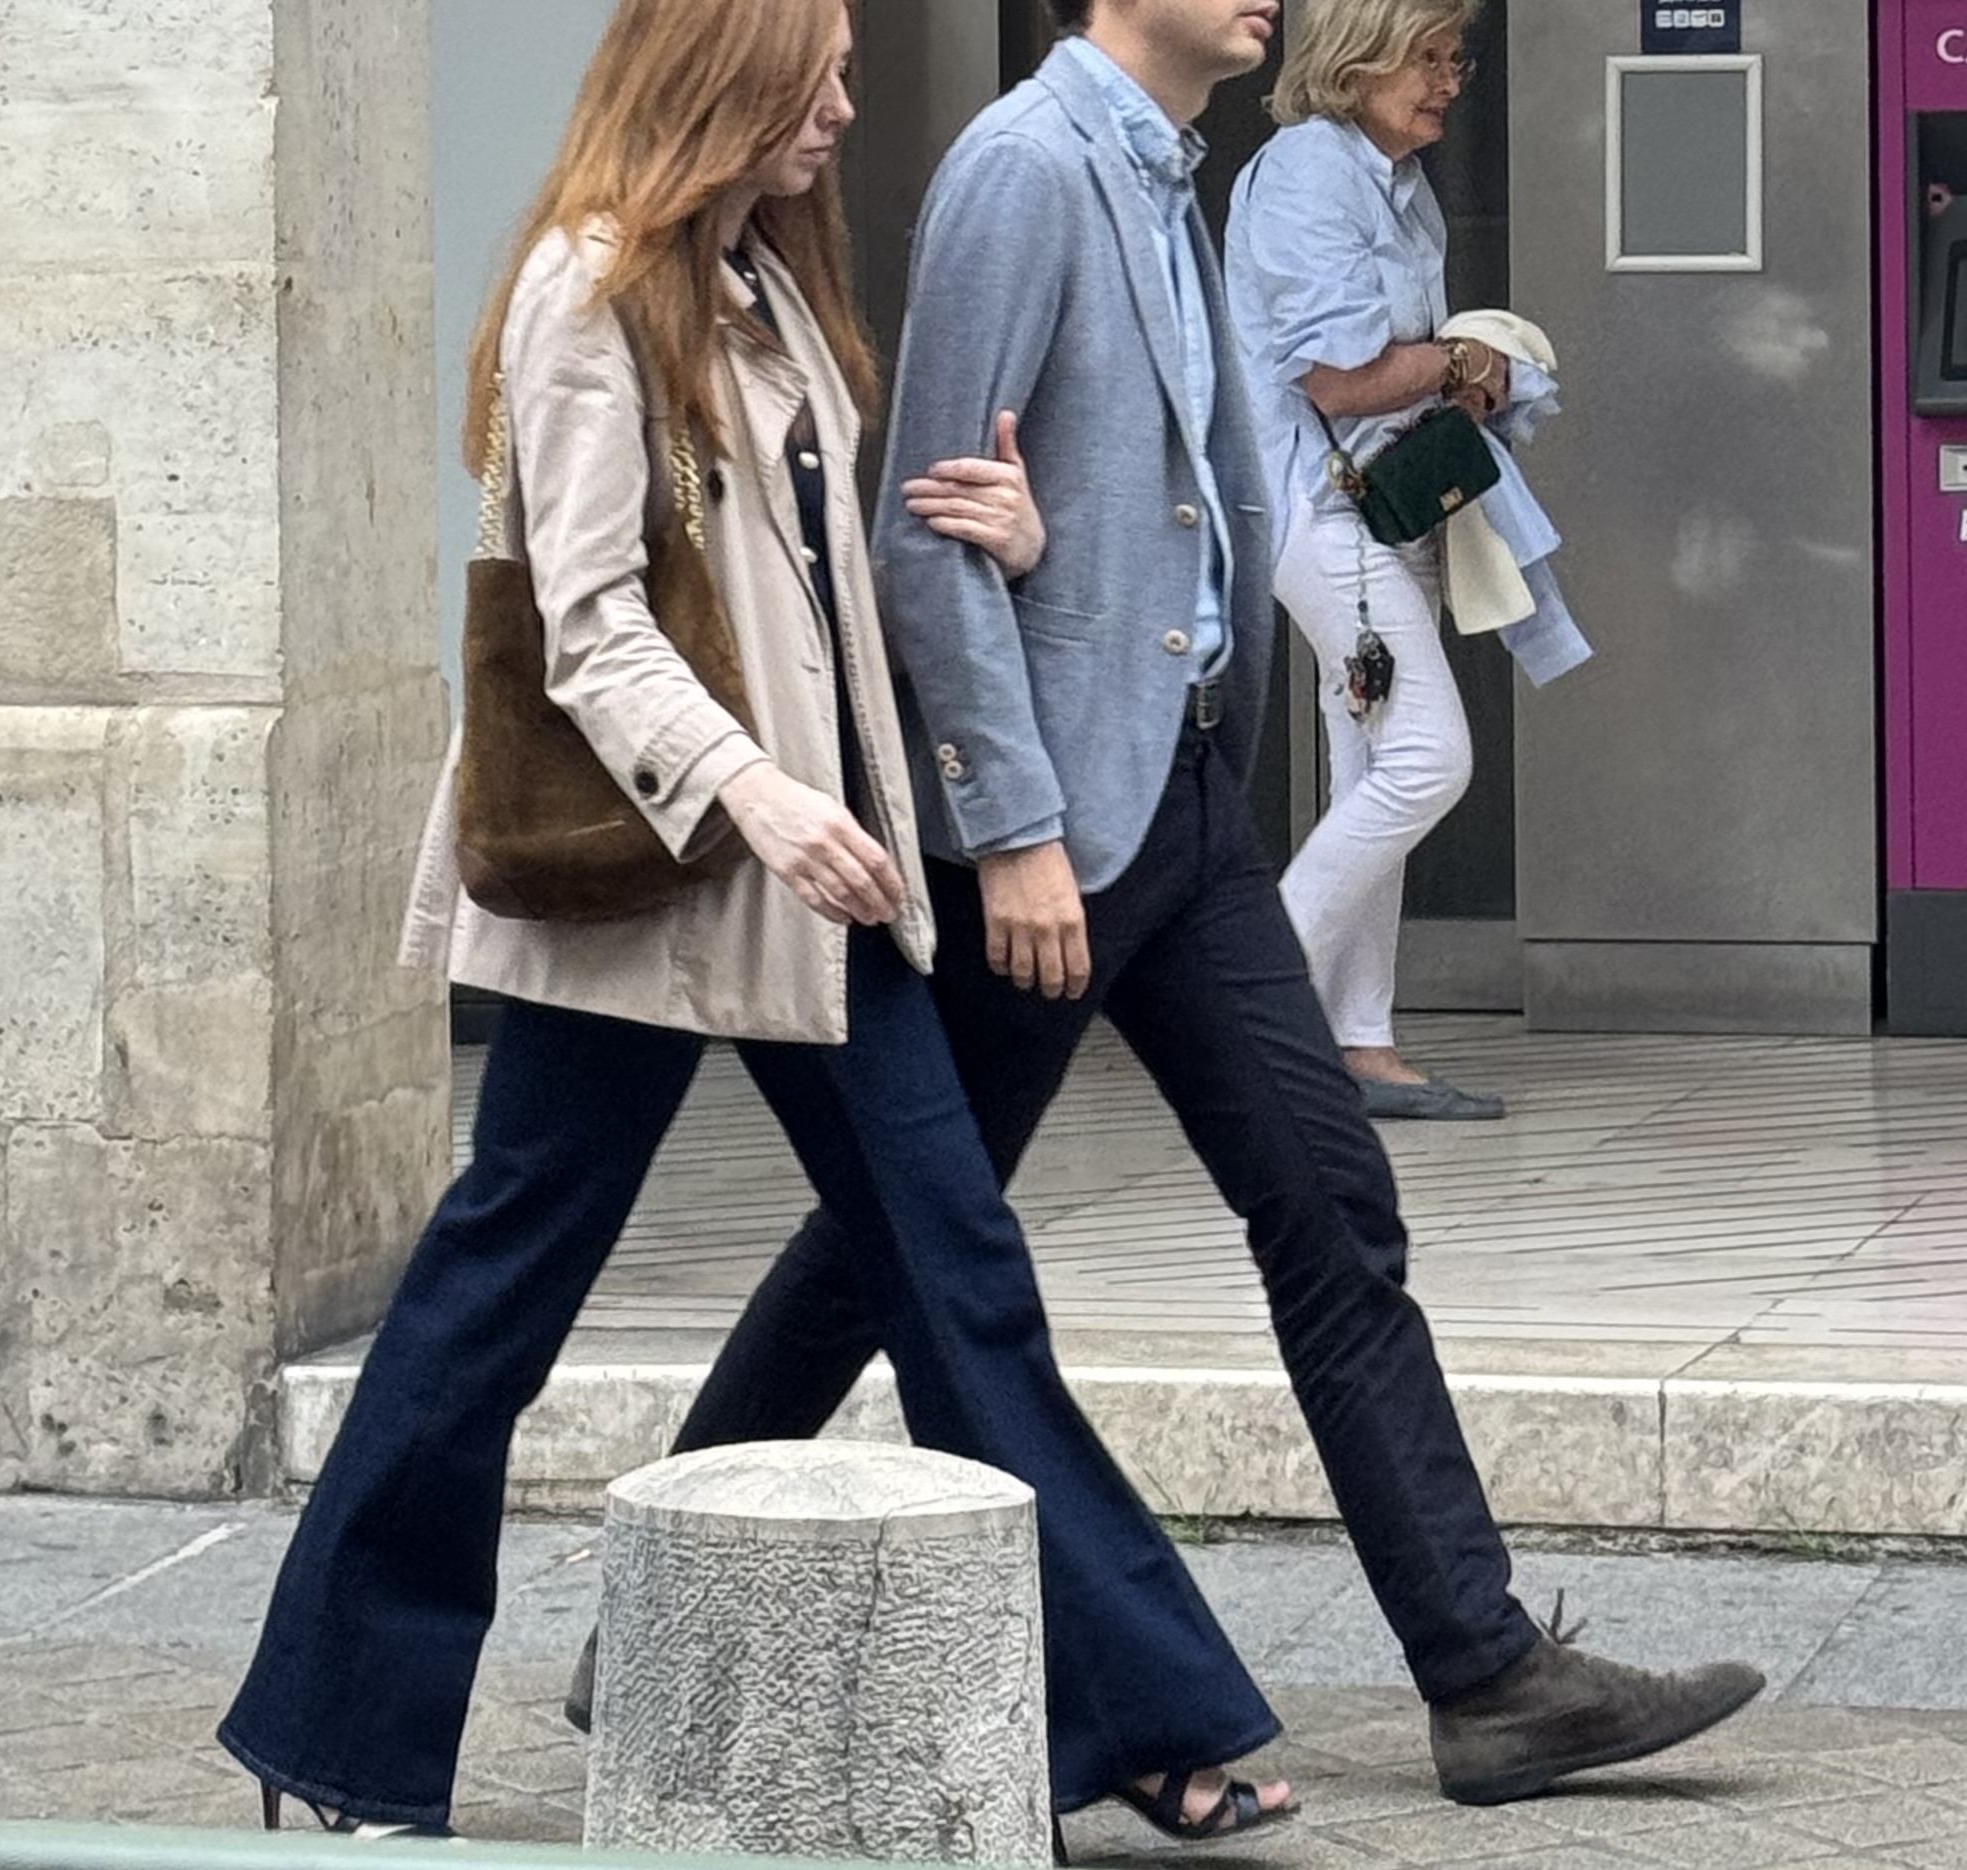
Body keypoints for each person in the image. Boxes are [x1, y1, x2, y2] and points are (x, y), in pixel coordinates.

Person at [628, 0, 1766, 1812]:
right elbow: (929, 521)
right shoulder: (1024, 168)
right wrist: (1005, 827)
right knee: (893, 1235)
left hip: (1179, 794)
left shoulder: (1171, 171)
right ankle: (660, 1625)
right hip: (1056, 826)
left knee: (1326, 1197)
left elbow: (1117, 498)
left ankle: (1484, 1678)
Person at [219, 0, 1294, 1844]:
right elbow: (589, 627)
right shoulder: (589, 292)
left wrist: (1018, 552)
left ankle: (1129, 1714)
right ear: (721, 74)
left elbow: (820, 590)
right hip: (653, 894)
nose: (846, 112)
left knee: (962, 1281)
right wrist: (765, 801)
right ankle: (331, 1736)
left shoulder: (765, 298)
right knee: (494, 1297)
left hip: (817, 895)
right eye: (824, 76)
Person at [1224, 0, 1514, 1120]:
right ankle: (1260, 1015)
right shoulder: (1309, 170)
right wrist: (1458, 357)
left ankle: (1359, 1043)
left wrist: (1461, 369)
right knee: (1428, 759)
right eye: (1427, 57)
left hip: (1381, 515)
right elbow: (1341, 377)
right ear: (1356, 58)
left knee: (1370, 764)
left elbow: (1399, 366)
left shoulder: (1393, 181)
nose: (1449, 80)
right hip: (1317, 511)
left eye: (1457, 58)